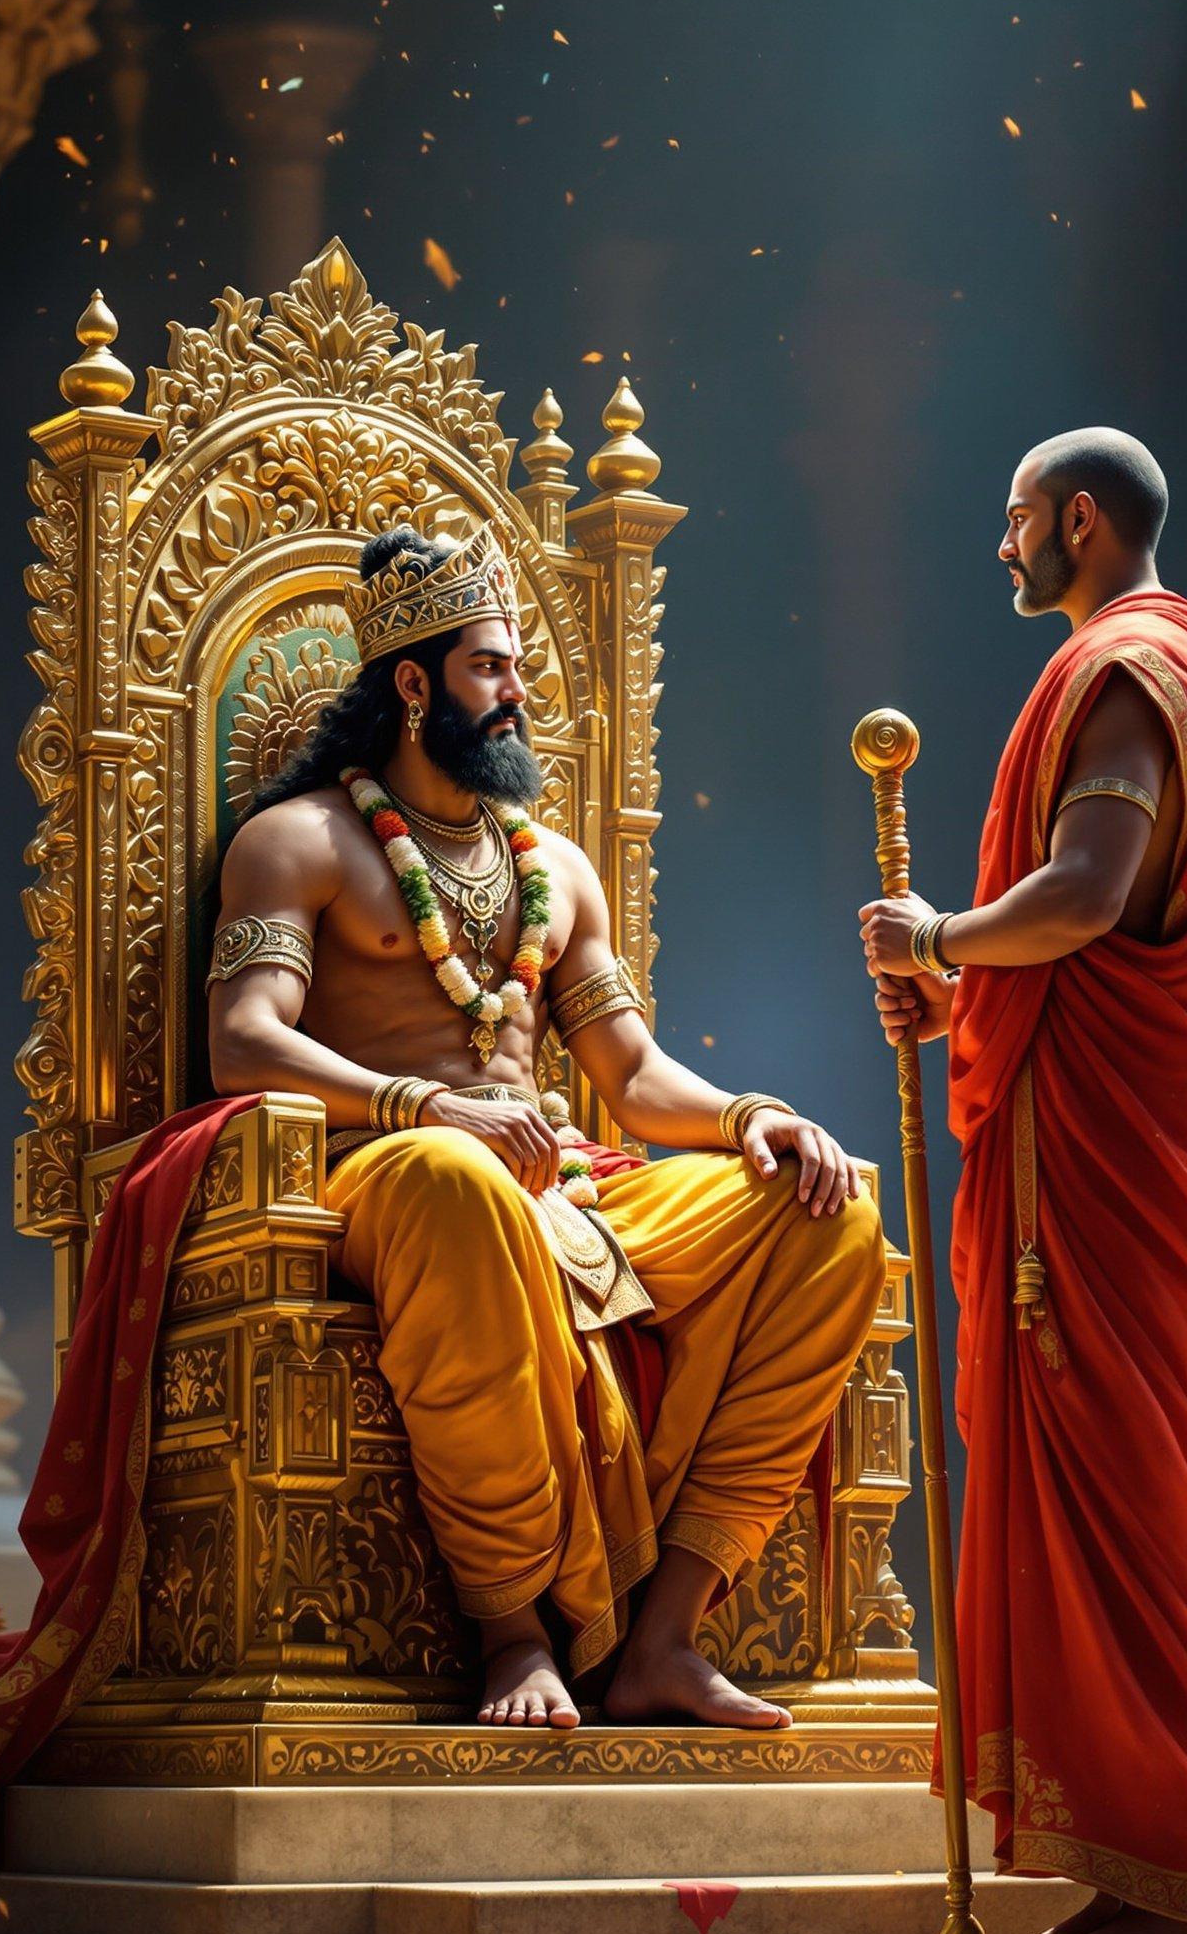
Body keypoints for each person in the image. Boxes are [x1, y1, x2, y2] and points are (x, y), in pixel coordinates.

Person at [210, 521, 885, 1735]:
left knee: (827, 1208)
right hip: (393, 1175)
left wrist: (754, 1117)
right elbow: (244, 1042)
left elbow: (630, 1075)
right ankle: (513, 1629)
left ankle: (664, 1639)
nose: (517, 696)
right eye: (489, 670)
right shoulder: (298, 842)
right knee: (456, 1182)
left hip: (563, 1179)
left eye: (519, 669)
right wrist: (433, 1105)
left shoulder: (554, 868)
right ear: (412, 683)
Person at [861, 428, 1187, 1934]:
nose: (1004, 546)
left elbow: (1093, 892)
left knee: (1135, 1491)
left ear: (1079, 522)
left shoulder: (1132, 669)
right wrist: (962, 982)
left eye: (1018, 519)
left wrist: (944, 937)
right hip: (1104, 1148)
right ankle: (1125, 1885)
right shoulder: (1156, 663)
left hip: (1120, 1180)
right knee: (1097, 1487)